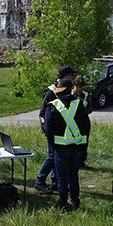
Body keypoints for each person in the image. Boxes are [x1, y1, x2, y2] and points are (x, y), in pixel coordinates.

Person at [44, 78, 91, 212]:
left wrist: (54, 145)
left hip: (59, 148)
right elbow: (86, 126)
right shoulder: (79, 104)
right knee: (73, 176)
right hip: (76, 148)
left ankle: (63, 203)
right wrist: (82, 145)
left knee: (62, 177)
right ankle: (75, 201)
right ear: (71, 90)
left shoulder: (52, 106)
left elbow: (47, 130)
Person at [35, 65, 77, 194]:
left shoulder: (65, 89)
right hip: (52, 131)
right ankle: (40, 181)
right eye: (71, 75)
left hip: (62, 132)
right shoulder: (51, 91)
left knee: (55, 157)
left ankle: (55, 182)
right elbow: (42, 113)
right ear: (65, 76)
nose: (73, 78)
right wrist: (46, 129)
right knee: (53, 156)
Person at [73, 75, 94, 169]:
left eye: (80, 87)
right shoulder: (69, 95)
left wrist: (82, 110)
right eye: (76, 86)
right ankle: (73, 162)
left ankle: (81, 162)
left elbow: (90, 108)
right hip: (73, 122)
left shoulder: (86, 95)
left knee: (83, 143)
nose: (78, 89)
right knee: (73, 143)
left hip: (84, 122)